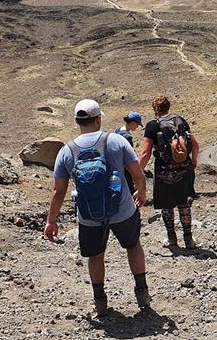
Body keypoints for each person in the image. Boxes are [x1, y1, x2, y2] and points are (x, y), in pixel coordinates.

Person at [44, 99, 149, 317]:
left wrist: (51, 221)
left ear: (77, 121)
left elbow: (58, 192)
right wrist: (141, 192)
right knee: (133, 246)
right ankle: (142, 293)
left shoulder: (66, 151)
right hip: (123, 209)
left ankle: (100, 302)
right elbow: (137, 173)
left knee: (95, 255)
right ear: (98, 119)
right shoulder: (117, 141)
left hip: (89, 215)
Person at [139, 96, 200, 249]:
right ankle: (188, 239)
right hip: (184, 168)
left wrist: (138, 172)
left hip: (163, 172)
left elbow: (145, 153)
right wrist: (193, 161)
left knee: (167, 206)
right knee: (184, 204)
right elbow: (195, 144)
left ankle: (172, 239)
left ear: (154, 108)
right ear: (168, 107)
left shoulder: (152, 125)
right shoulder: (180, 120)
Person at [114, 111, 144, 193]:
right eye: (137, 124)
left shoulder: (117, 130)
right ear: (133, 123)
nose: (137, 127)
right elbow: (129, 155)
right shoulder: (127, 137)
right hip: (125, 167)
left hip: (117, 164)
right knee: (129, 187)